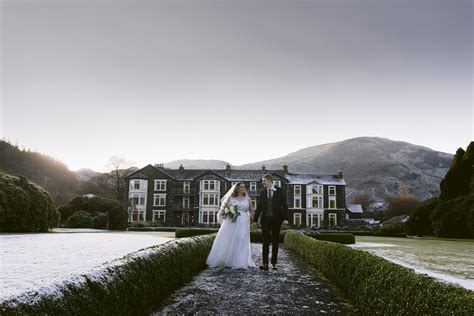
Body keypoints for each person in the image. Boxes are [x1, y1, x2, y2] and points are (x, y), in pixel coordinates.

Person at [206, 182, 257, 269]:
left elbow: (251, 210)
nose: (243, 188)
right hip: (232, 220)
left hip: (244, 221)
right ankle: (228, 259)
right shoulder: (231, 197)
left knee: (242, 239)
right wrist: (229, 212)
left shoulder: (247, 198)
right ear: (237, 188)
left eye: (244, 187)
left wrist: (253, 220)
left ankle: (240, 262)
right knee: (230, 239)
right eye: (241, 187)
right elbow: (223, 208)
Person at [254, 174, 289, 271]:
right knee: (265, 242)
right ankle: (265, 263)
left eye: (263, 181)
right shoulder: (262, 192)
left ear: (269, 180)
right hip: (265, 220)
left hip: (277, 220)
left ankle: (274, 263)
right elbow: (260, 207)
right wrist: (255, 220)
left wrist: (286, 218)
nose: (262, 182)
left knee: (275, 242)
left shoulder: (280, 191)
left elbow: (285, 205)